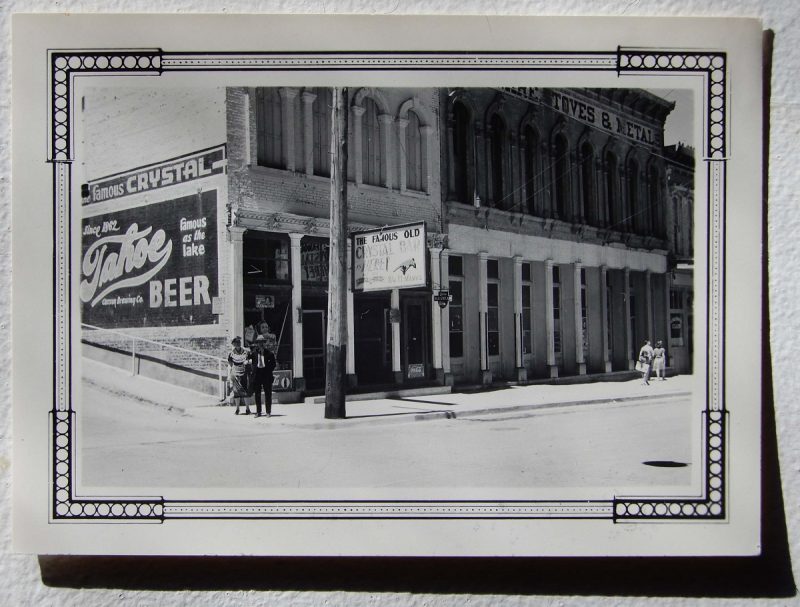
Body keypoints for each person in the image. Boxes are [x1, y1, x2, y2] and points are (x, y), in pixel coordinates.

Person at [249, 334, 277, 417]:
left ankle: (268, 412)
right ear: (257, 343)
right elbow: (249, 361)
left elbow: (273, 364)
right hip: (257, 375)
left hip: (266, 375)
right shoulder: (254, 353)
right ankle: (258, 412)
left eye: (262, 342)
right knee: (257, 394)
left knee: (268, 394)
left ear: (264, 343)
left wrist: (267, 370)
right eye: (259, 342)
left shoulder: (269, 354)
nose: (261, 344)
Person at [227, 336, 252, 415]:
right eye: (236, 343)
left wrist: (247, 362)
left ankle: (247, 409)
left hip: (244, 372)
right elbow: (230, 362)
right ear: (233, 344)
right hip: (235, 373)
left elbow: (251, 359)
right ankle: (237, 409)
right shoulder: (231, 353)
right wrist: (235, 369)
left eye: (239, 342)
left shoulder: (246, 351)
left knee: (245, 390)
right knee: (236, 391)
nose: (238, 344)